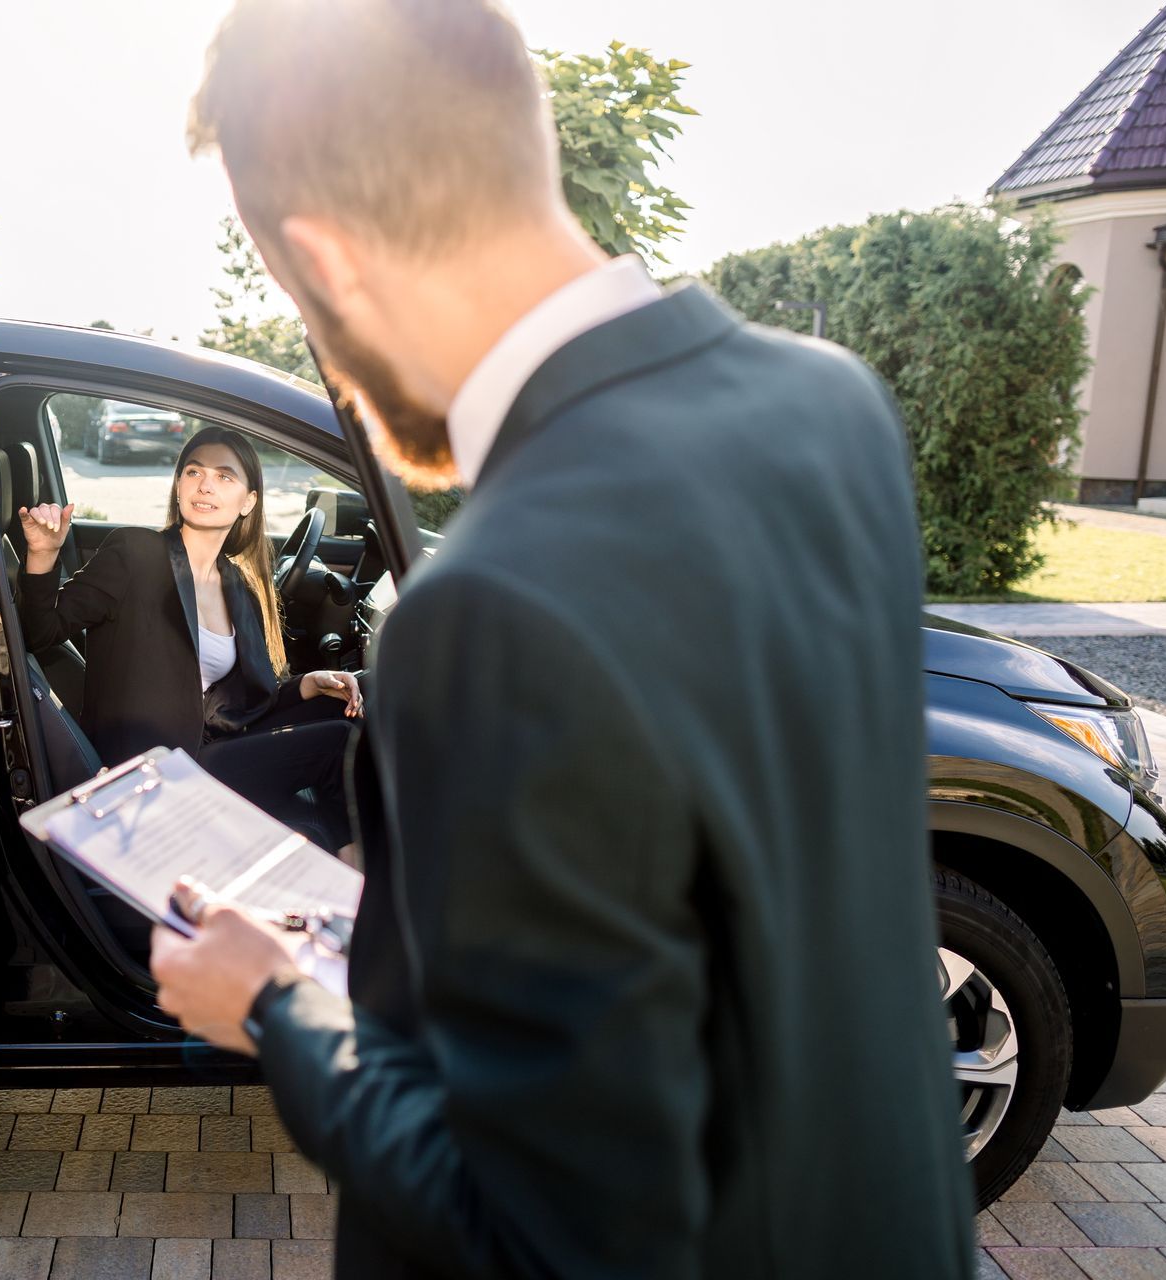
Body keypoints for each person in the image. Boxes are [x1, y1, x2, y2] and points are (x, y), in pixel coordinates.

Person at [148, 2, 976, 1276]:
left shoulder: (488, 607)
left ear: (330, 257)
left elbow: (546, 1236)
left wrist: (278, 1008)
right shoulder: (832, 406)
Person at [17, 424, 361, 849]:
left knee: (344, 709)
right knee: (339, 744)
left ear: (248, 502)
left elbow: (239, 701)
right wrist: (42, 555)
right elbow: (39, 632)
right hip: (157, 772)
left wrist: (308, 685)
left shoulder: (237, 584)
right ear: (178, 485)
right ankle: (357, 875)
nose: (205, 485)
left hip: (209, 747)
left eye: (224, 476)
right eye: (193, 472)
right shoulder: (135, 554)